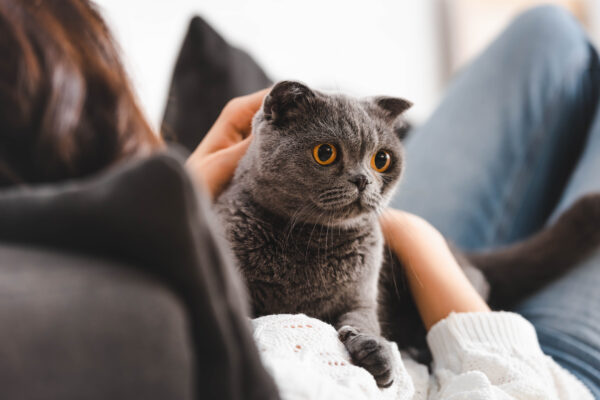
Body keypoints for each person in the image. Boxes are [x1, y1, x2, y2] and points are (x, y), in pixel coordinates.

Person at [0, 1, 597, 398]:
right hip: (501, 354)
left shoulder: (120, 251)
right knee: (558, 47)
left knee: (545, 31)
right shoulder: (164, 330)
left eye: (382, 164)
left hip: (385, 242)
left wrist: (183, 187)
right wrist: (426, 253)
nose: (367, 178)